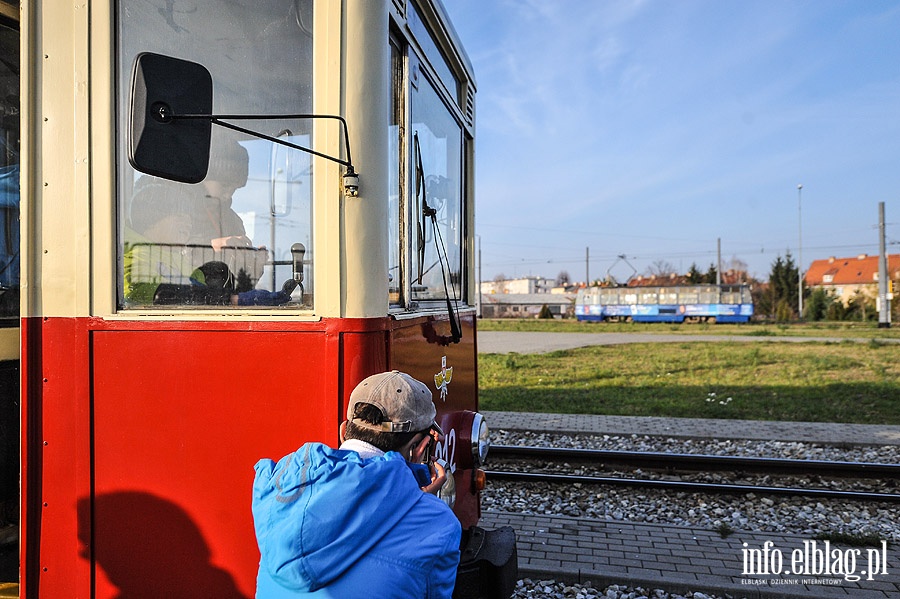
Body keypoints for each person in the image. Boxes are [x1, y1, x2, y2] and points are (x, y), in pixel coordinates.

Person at [252, 371, 461, 598]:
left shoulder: (281, 490)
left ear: (344, 432)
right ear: (419, 449)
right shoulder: (437, 524)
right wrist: (420, 503)